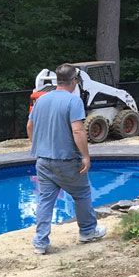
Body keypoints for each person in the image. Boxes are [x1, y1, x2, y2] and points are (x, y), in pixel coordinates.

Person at [26, 63, 107, 255]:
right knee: (82, 194)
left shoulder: (42, 100)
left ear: (57, 81)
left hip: (43, 161)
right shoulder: (74, 101)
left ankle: (40, 242)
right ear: (74, 81)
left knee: (45, 200)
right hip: (67, 160)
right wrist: (86, 156)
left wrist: (37, 145)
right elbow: (78, 130)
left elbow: (30, 126)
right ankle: (88, 231)